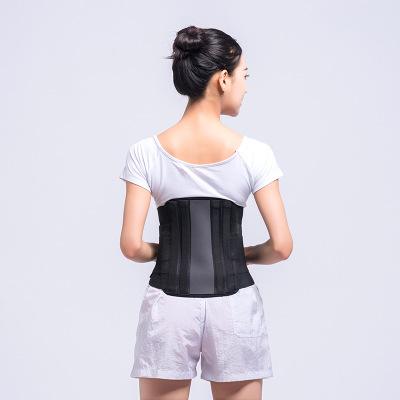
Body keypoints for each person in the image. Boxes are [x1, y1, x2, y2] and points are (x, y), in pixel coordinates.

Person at [119, 25, 293, 400]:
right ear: (223, 78)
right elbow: (281, 247)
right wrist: (239, 253)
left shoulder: (145, 153)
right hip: (234, 306)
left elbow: (132, 247)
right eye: (245, 76)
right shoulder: (256, 154)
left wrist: (170, 250)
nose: (246, 87)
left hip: (169, 305)